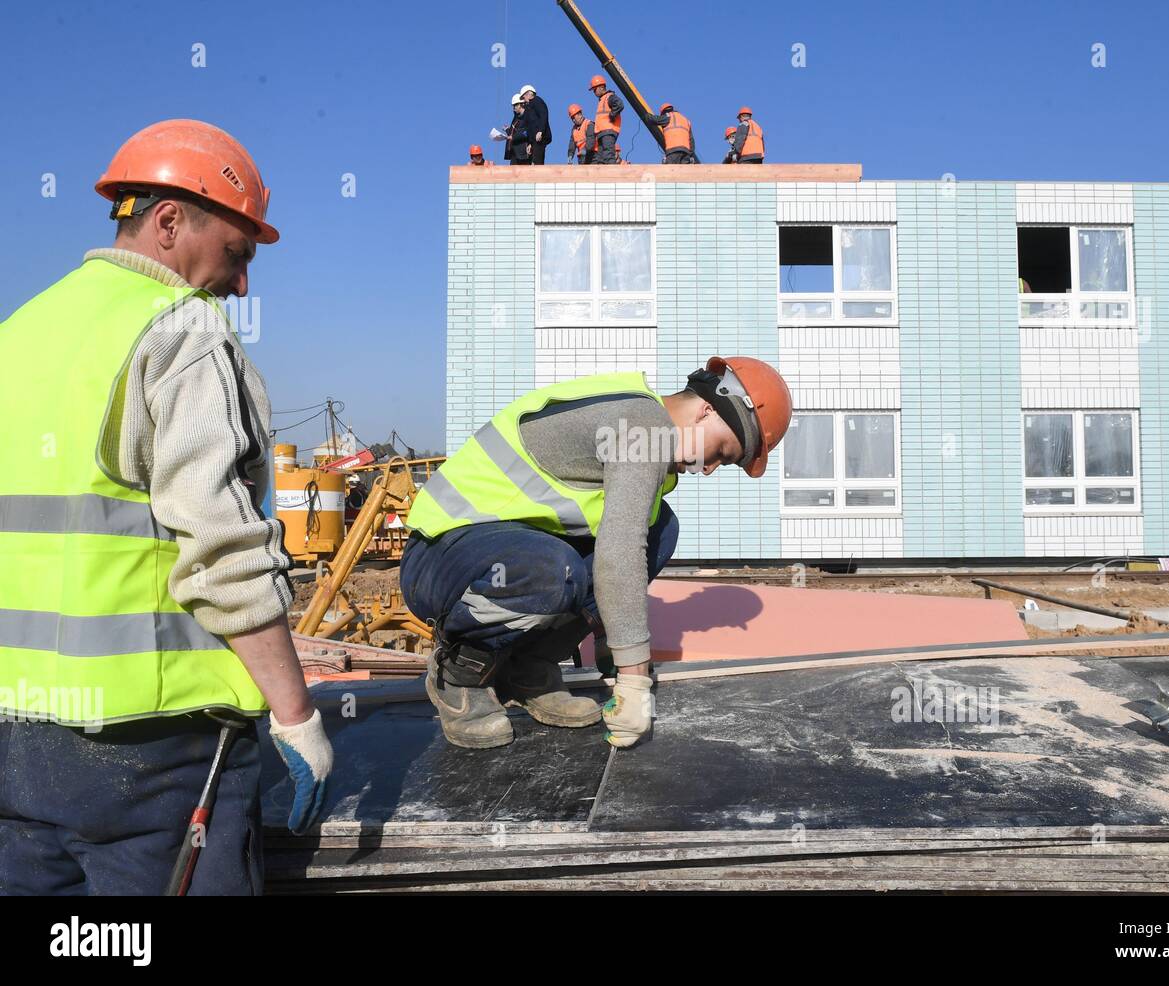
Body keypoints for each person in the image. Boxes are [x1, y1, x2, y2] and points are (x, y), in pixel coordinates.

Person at [0, 119, 332, 895]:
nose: (242, 283)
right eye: (237, 253)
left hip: (16, 745)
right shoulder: (180, 330)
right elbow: (223, 549)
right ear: (170, 220)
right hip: (154, 756)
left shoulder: (21, 330)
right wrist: (296, 717)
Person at [399, 357, 792, 750]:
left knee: (660, 529)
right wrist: (634, 684)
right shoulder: (642, 425)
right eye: (722, 451)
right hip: (440, 558)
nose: (709, 468)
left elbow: (619, 547)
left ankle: (527, 668)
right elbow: (619, 551)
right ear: (707, 409)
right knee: (553, 569)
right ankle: (460, 674)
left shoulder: (648, 438)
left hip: (505, 550)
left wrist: (608, 633)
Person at [588, 74, 623, 164]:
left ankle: (612, 175)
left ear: (601, 87)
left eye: (594, 89)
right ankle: (602, 177)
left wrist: (612, 115)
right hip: (601, 134)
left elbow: (620, 104)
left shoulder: (609, 97)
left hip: (608, 132)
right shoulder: (602, 99)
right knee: (600, 160)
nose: (594, 92)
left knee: (608, 155)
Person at [519, 84, 552, 165]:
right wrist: (530, 143)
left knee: (538, 161)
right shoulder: (528, 107)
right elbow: (529, 127)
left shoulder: (537, 101)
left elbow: (544, 115)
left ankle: (539, 176)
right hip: (534, 140)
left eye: (523, 97)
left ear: (529, 94)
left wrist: (540, 131)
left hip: (540, 138)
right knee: (534, 161)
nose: (524, 100)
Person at [505, 93, 532, 165]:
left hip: (523, 154)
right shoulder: (516, 118)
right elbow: (515, 132)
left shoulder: (528, 116)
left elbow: (527, 132)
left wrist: (513, 137)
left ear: (521, 104)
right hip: (514, 153)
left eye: (515, 105)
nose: (514, 108)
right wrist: (508, 130)